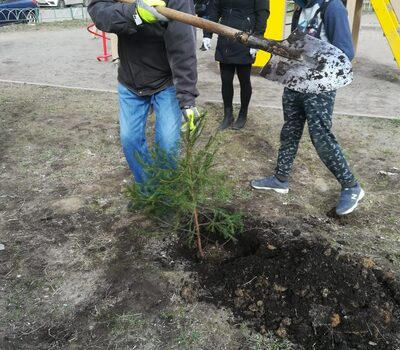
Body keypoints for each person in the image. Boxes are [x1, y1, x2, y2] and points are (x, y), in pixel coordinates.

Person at [250, 0, 365, 216]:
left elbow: (345, 54)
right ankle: (280, 178)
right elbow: (297, 44)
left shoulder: (333, 9)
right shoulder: (300, 8)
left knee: (320, 135)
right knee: (290, 128)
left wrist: (315, 62)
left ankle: (351, 186)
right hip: (295, 79)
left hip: (321, 84)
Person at [88, 0, 199, 193]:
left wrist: (187, 98)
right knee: (129, 139)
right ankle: (148, 190)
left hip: (166, 81)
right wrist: (134, 14)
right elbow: (99, 10)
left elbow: (183, 44)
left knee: (167, 142)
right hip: (130, 80)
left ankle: (166, 197)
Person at [202, 0, 269, 130]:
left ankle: (243, 114)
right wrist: (207, 34)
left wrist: (257, 40)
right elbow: (214, 10)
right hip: (225, 39)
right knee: (226, 81)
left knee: (244, 80)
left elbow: (262, 14)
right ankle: (228, 114)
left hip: (245, 39)